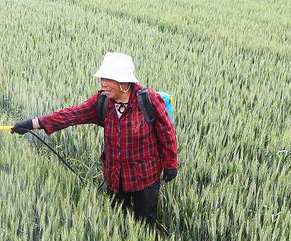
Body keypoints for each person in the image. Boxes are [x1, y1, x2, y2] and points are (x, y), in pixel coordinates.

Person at [12, 52, 178, 228]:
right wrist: (33, 124)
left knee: (145, 226)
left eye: (108, 79)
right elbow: (72, 114)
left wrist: (170, 164)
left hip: (145, 178)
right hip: (115, 177)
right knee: (116, 223)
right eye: (102, 78)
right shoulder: (102, 101)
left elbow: (167, 133)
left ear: (124, 82)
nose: (103, 83)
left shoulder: (149, 100)